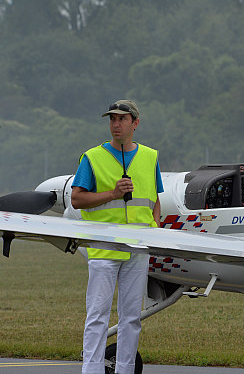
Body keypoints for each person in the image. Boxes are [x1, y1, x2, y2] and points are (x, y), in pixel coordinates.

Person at [71, 99, 163, 374]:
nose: (115, 124)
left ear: (135, 123)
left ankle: (125, 370)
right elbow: (76, 199)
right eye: (112, 119)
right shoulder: (92, 157)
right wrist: (112, 193)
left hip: (138, 248)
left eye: (122, 119)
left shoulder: (150, 156)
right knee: (97, 316)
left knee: (132, 318)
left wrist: (155, 232)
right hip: (104, 249)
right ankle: (92, 370)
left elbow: (155, 200)